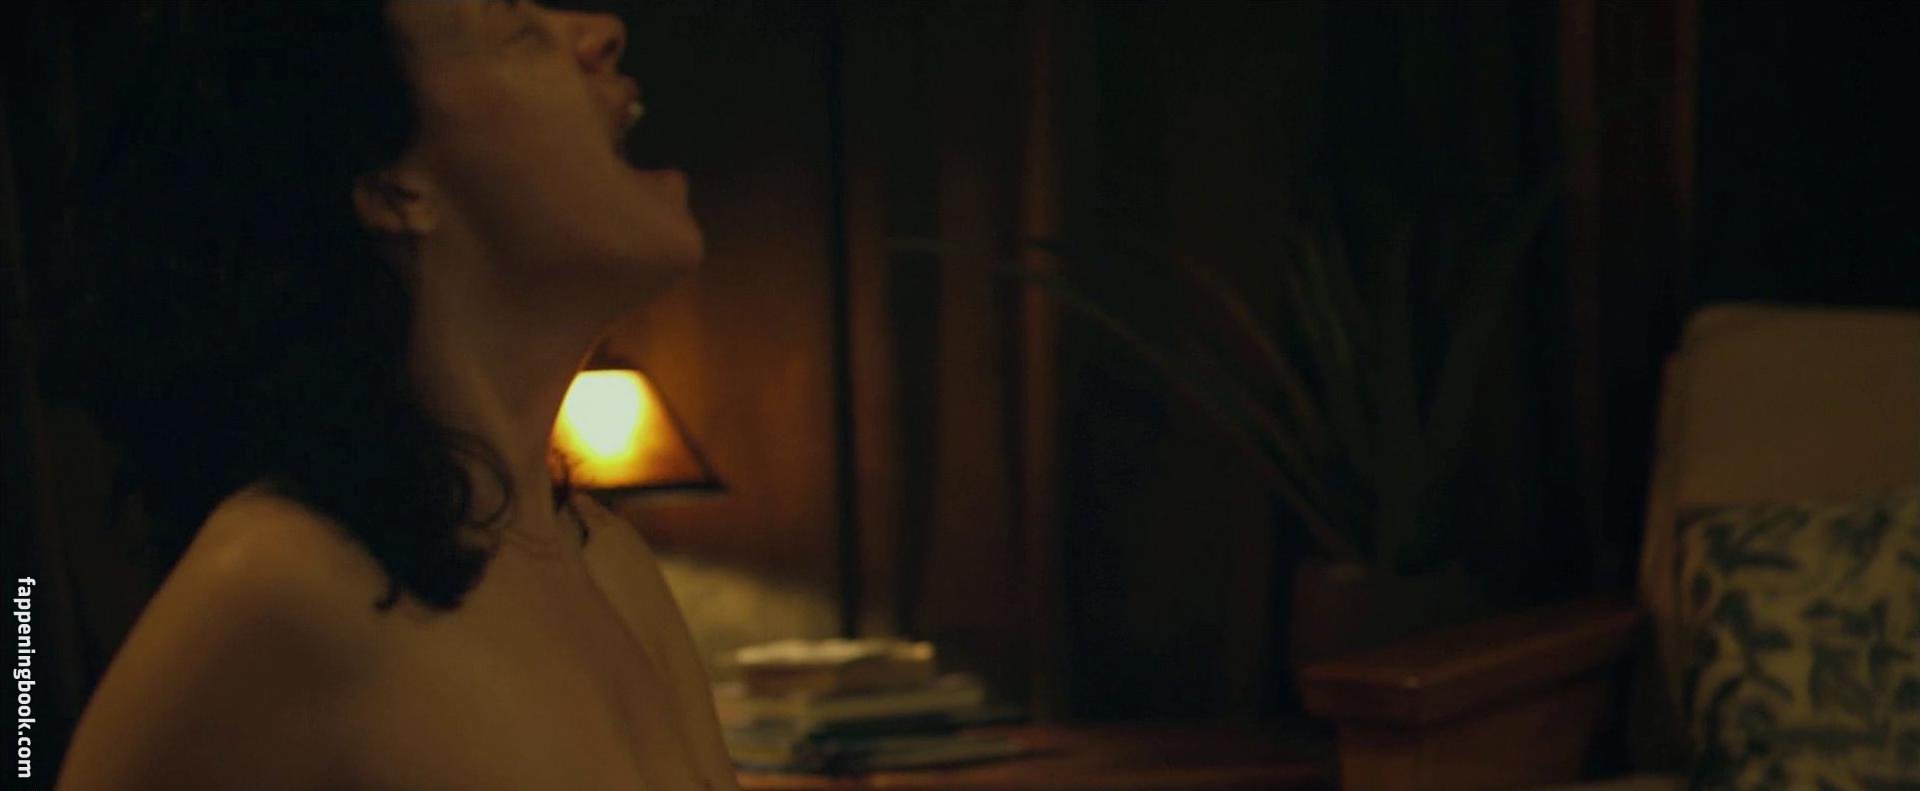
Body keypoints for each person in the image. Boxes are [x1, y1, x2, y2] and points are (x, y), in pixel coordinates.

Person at [48, 1, 736, 788]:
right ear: (392, 186)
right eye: (516, 27)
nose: (603, 31)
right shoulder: (283, 578)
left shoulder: (607, 562)